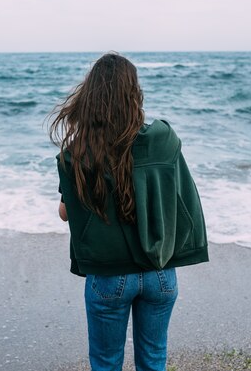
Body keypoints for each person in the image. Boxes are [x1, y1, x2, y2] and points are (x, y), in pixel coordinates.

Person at [49, 52, 208, 371]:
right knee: (153, 360)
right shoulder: (163, 139)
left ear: (90, 98)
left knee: (106, 363)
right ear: (135, 94)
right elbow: (180, 196)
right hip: (160, 271)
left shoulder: (76, 153)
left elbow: (66, 214)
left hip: (109, 275)